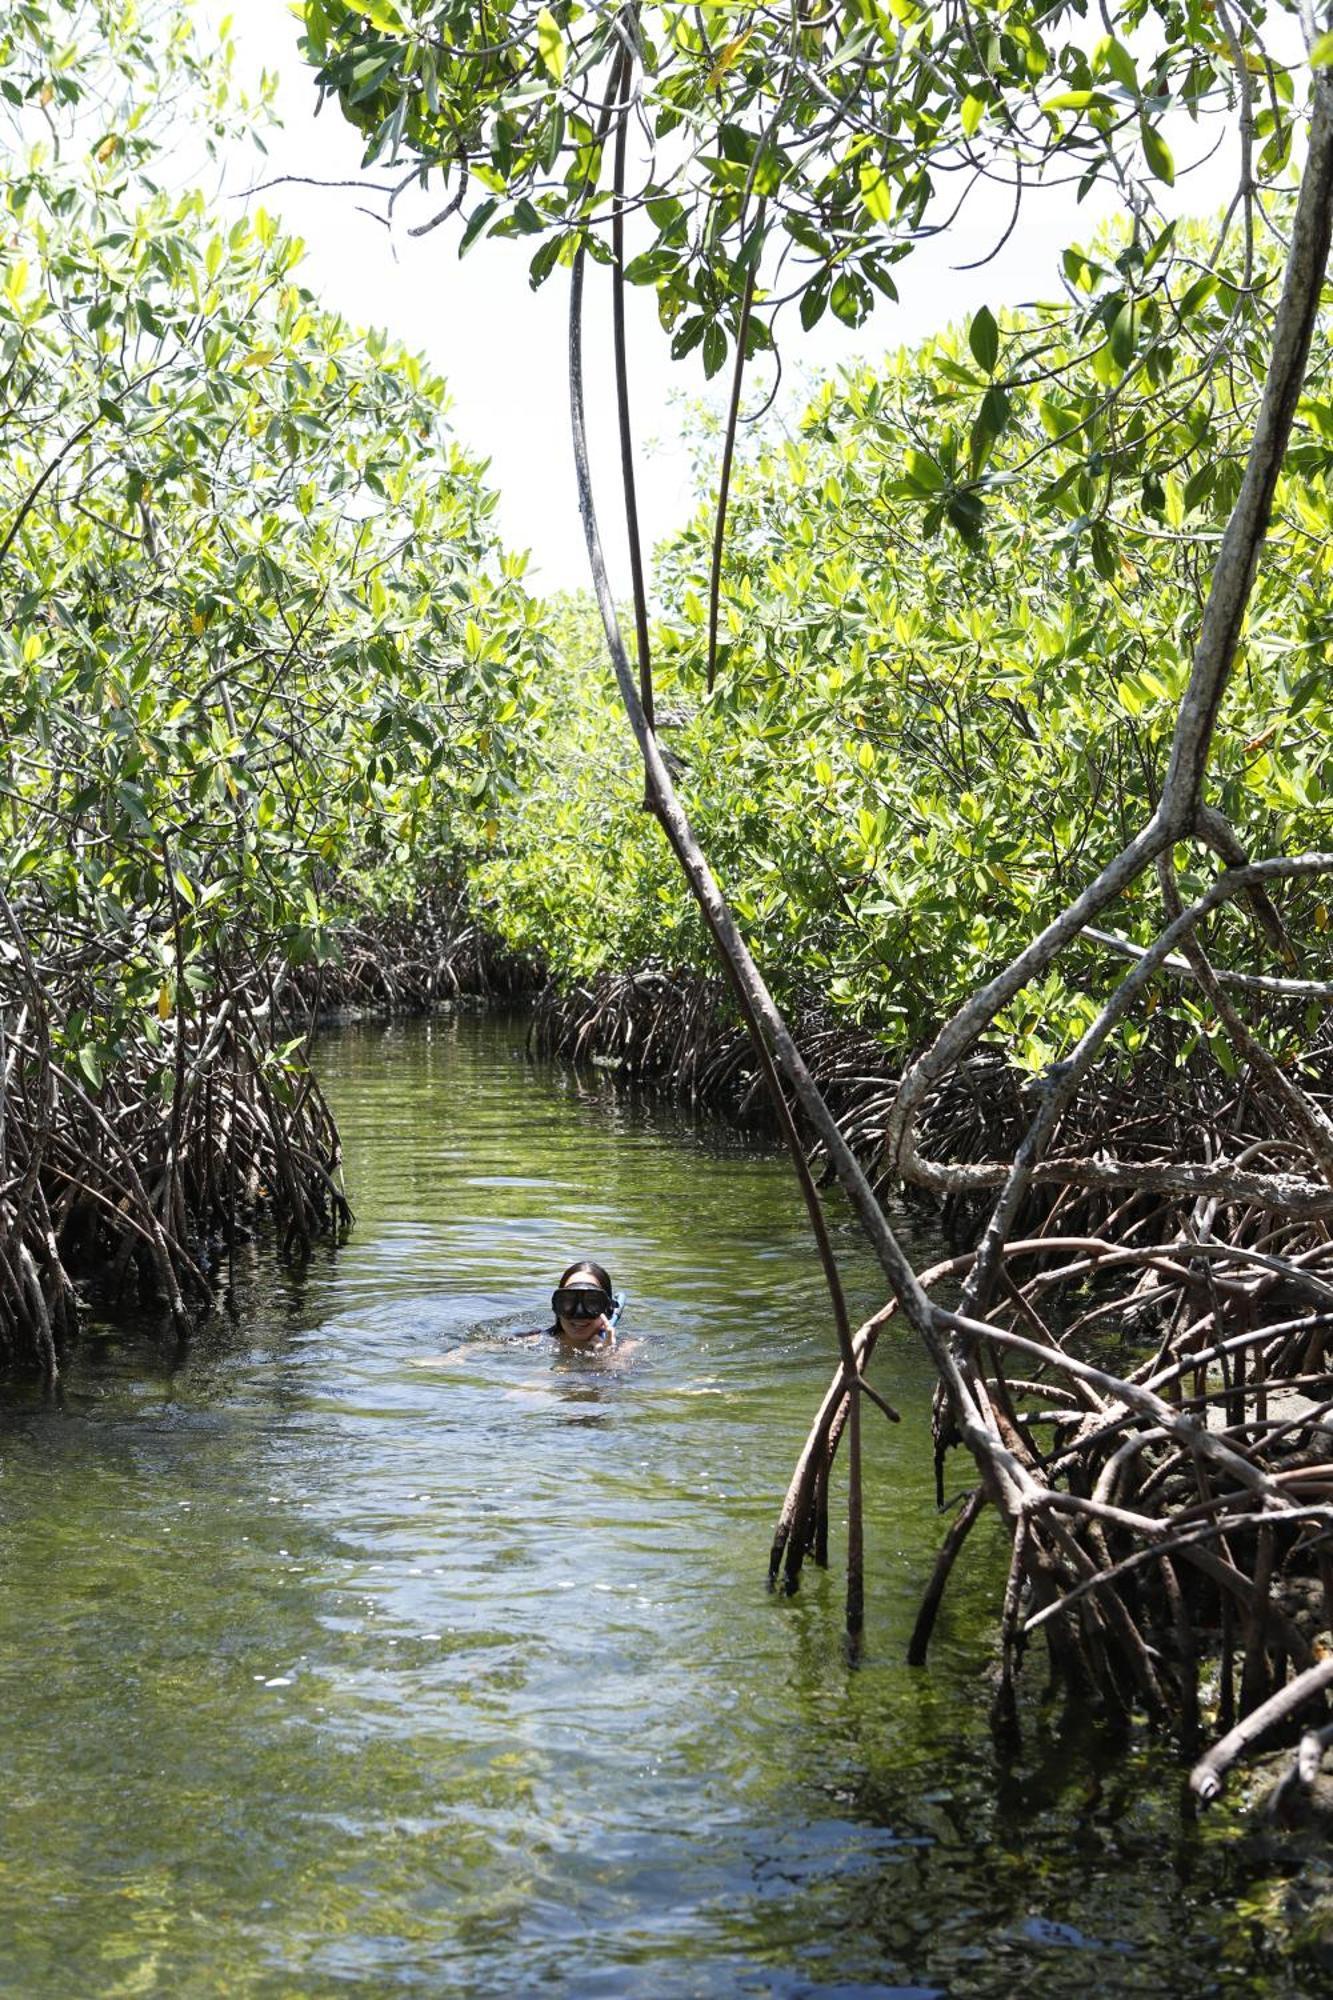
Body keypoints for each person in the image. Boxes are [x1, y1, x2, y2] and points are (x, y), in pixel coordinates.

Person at [546, 1259, 621, 1352]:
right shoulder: (532, 1343)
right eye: (570, 1300)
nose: (579, 1313)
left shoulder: (626, 1350)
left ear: (608, 1310)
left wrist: (606, 1357)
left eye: (591, 1302)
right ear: (557, 1306)